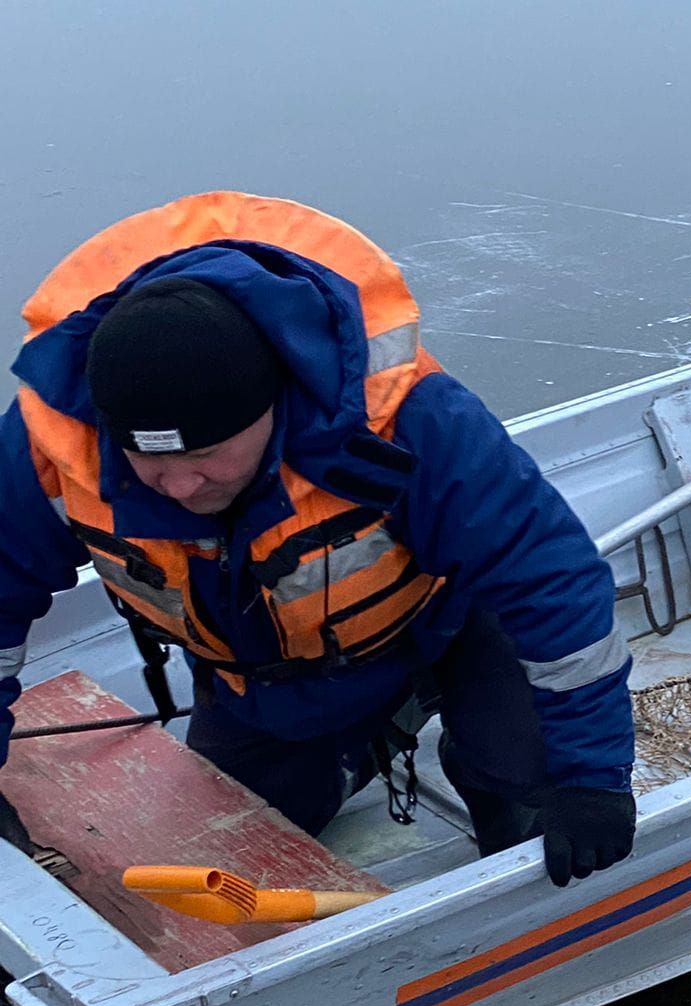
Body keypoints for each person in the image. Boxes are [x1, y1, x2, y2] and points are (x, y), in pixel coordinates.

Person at [0, 192, 636, 887]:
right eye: (149, 462)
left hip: (449, 622)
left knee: (536, 805)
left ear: (272, 408)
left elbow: (552, 580)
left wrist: (592, 777)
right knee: (232, 856)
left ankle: (485, 753)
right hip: (271, 673)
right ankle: (371, 732)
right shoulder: (49, 448)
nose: (180, 486)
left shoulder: (413, 418)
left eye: (207, 456)